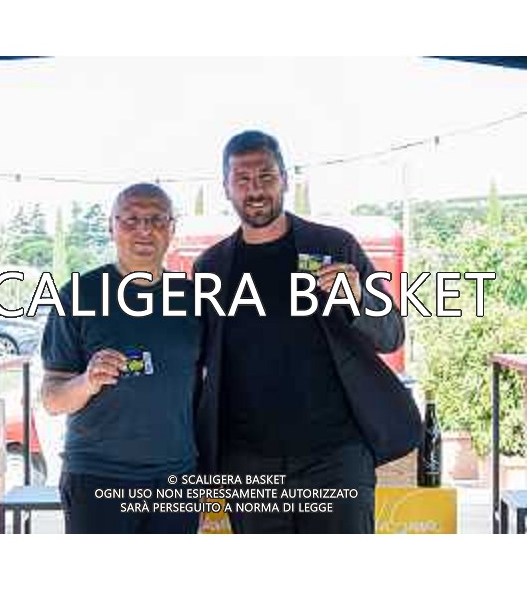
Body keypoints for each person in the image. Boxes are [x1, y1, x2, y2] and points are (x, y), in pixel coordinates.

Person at [193, 130, 421, 533]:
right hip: (248, 464)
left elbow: (391, 335)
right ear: (226, 188)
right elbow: (192, 360)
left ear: (285, 179)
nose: (255, 190)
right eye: (242, 179)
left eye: (266, 176)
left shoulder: (336, 246)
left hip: (336, 458)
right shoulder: (210, 267)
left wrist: (358, 299)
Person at [41, 183, 201, 534]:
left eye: (156, 219)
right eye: (130, 219)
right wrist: (87, 381)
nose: (144, 229)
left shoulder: (195, 299)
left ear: (172, 228)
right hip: (98, 477)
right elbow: (51, 399)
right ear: (111, 227)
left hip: (177, 478)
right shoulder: (78, 295)